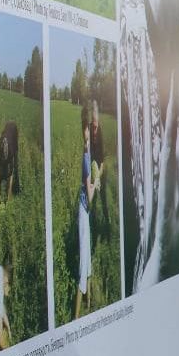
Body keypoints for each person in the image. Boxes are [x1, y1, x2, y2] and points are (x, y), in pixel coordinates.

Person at [74, 109, 98, 318]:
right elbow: (89, 198)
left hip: (86, 211)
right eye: (87, 128)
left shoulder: (89, 152)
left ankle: (89, 304)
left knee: (88, 259)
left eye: (89, 128)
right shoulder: (86, 155)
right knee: (83, 265)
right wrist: (96, 183)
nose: (89, 131)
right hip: (84, 211)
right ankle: (75, 318)